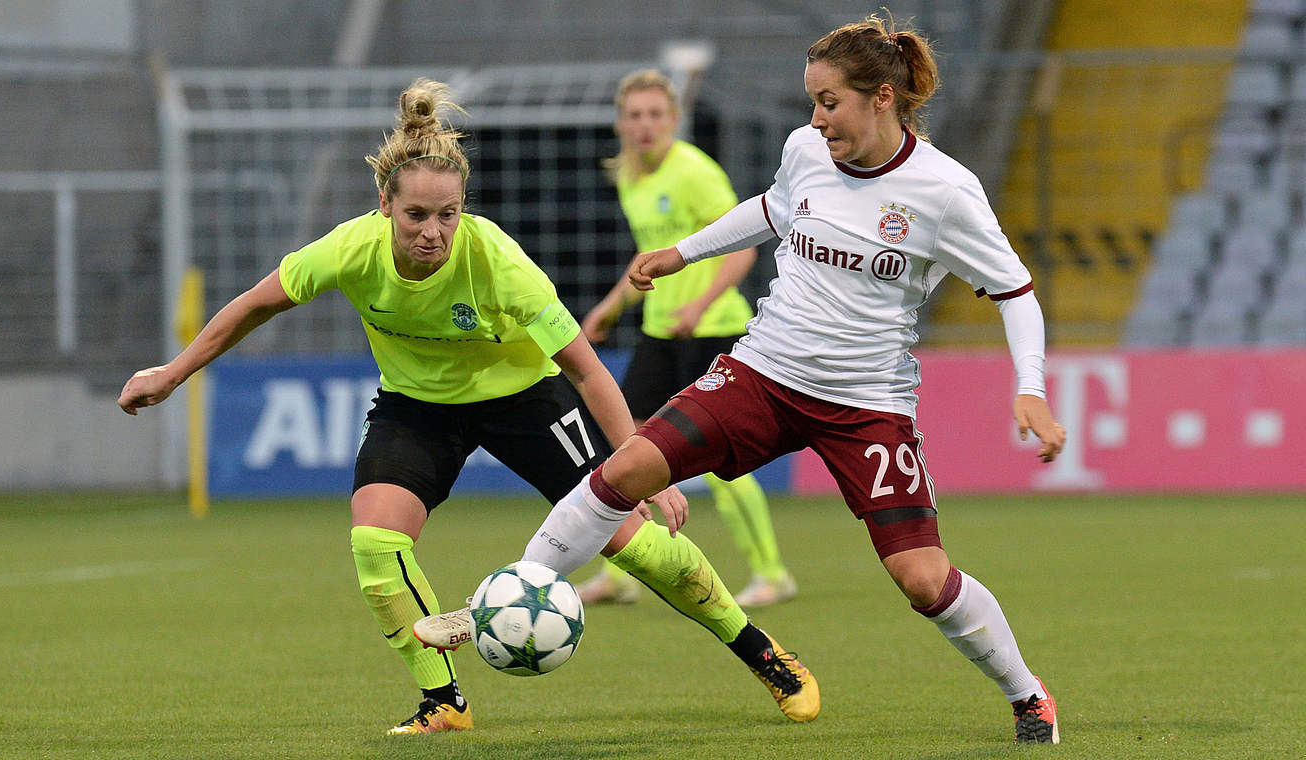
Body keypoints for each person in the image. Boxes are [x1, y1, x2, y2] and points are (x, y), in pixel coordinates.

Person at [419, 17, 1067, 745]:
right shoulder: (805, 152)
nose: (817, 120)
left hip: (866, 405)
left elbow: (1014, 291)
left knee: (922, 579)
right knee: (626, 466)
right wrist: (682, 254)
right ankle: (505, 598)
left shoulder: (944, 190)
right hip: (764, 372)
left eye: (830, 102)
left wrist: (1032, 387)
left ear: (882, 97)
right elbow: (772, 208)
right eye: (812, 102)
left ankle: (1027, 695)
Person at [117, 78, 818, 737]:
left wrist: (642, 469)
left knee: (630, 539)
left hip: (524, 400)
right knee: (374, 545)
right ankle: (442, 701)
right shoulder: (349, 250)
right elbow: (255, 305)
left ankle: (760, 651)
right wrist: (175, 372)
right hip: (417, 408)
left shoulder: (498, 262)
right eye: (416, 214)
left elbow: (585, 369)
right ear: (385, 206)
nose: (432, 231)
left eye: (447, 214)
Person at [575, 69, 797, 608]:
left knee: (714, 457)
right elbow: (647, 254)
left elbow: (744, 246)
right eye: (635, 115)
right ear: (621, 124)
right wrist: (605, 310)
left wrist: (698, 304)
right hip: (660, 330)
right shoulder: (630, 177)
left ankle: (772, 573)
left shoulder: (694, 172)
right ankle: (624, 574)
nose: (645, 125)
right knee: (624, 446)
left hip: (710, 328)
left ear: (674, 120)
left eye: (656, 114)